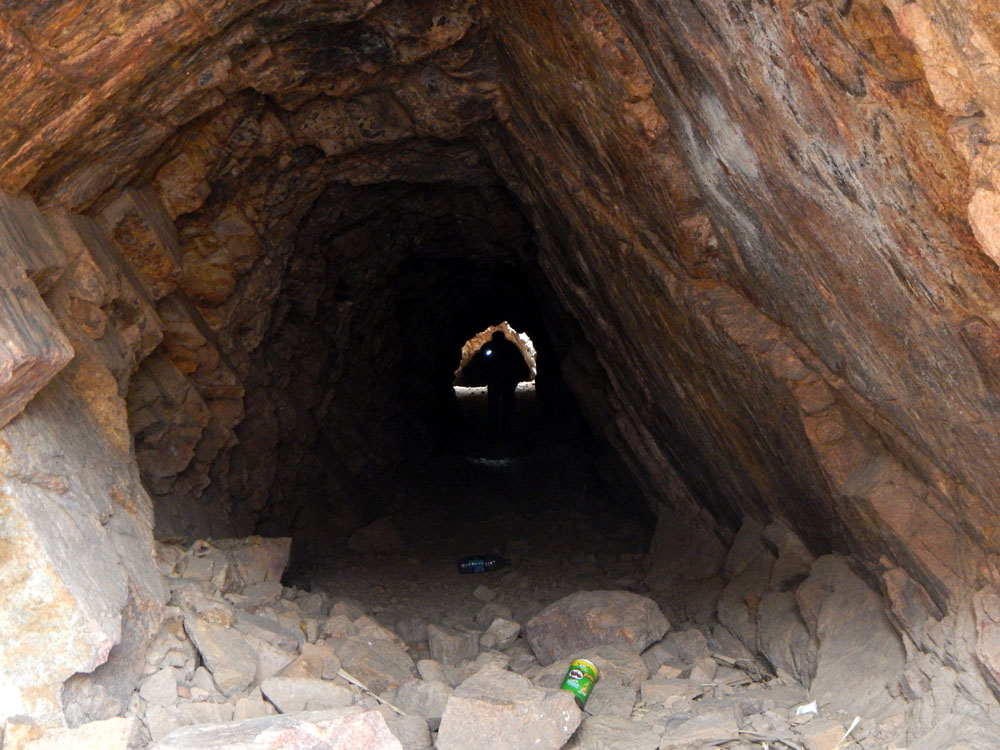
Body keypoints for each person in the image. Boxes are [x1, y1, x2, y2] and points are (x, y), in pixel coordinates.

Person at [478, 330, 530, 438]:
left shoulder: (492, 346)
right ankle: (505, 429)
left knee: (497, 404)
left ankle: (497, 429)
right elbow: (520, 362)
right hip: (505, 380)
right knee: (506, 404)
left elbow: (480, 362)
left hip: (499, 380)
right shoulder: (510, 347)